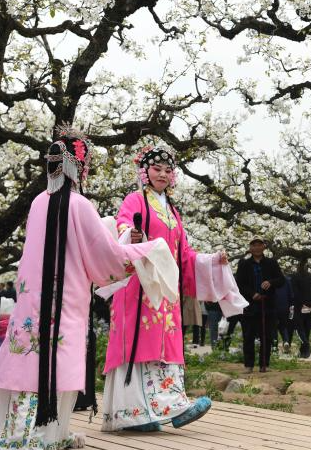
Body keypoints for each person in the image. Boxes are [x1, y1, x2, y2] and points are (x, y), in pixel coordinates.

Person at [0, 129, 178, 450]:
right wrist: (147, 251)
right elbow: (106, 259)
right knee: (59, 365)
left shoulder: (37, 202)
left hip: (32, 303)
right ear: (79, 169)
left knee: (27, 365)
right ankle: (40, 437)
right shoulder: (80, 205)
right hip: (68, 301)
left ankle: (19, 436)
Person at [101, 145, 246, 432]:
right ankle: (136, 414)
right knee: (140, 346)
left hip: (166, 293)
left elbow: (185, 255)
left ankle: (168, 406)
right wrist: (131, 236)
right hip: (139, 288)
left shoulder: (173, 211)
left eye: (168, 170)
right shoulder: (135, 200)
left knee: (165, 347)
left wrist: (212, 261)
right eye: (157, 169)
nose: (163, 175)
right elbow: (121, 227)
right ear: (144, 172)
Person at [235, 237, 286, 373]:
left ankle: (264, 364)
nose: (257, 247)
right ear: (250, 248)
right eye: (254, 245)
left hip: (267, 305)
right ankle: (248, 365)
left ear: (264, 247)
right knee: (248, 335)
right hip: (249, 305)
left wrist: (271, 282)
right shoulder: (244, 264)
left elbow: (281, 280)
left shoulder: (271, 263)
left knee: (267, 336)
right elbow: (239, 284)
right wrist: (252, 294)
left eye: (259, 245)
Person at [290, 262, 311, 358]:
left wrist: (300, 303)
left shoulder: (295, 277)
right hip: (310, 306)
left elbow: (295, 292)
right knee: (307, 327)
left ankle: (306, 345)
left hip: (300, 306)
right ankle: (304, 352)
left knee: (299, 328)